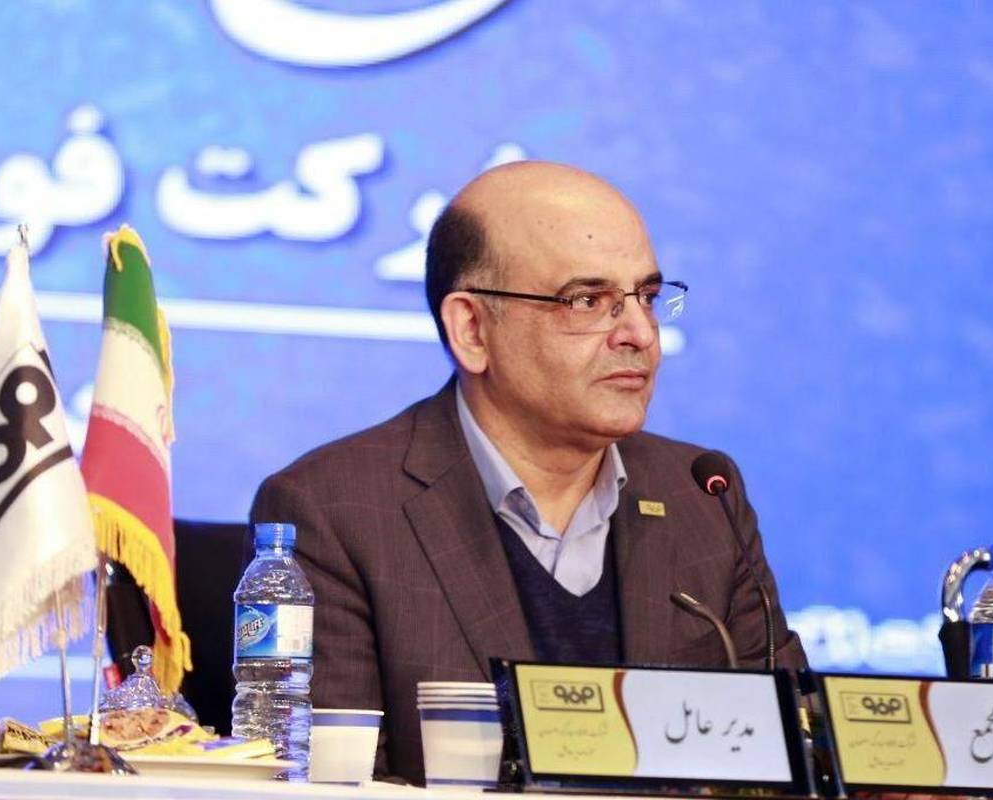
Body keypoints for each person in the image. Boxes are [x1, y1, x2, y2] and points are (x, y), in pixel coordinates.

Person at [250, 161, 805, 784]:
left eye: (647, 298)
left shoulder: (700, 491)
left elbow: (793, 751)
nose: (640, 334)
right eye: (588, 300)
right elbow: (331, 786)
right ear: (472, 329)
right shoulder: (335, 510)